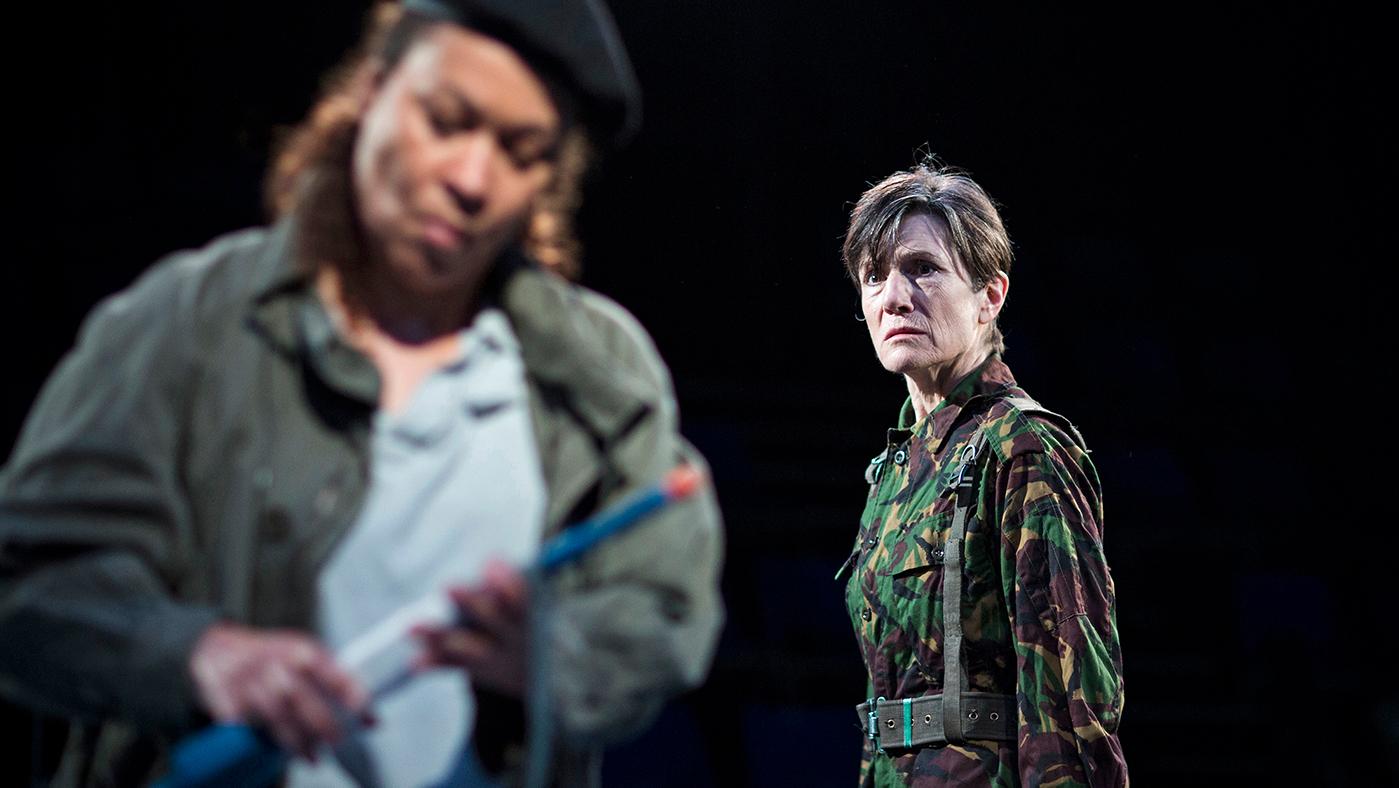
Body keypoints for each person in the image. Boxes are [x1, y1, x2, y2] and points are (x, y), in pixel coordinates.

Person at [0, 1, 723, 786]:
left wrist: (551, 651)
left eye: (522, 153)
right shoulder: (189, 324)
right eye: (445, 121)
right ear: (372, 94)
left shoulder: (598, 372)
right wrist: (195, 654)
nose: (472, 180)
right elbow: (27, 582)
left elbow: (669, 615)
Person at [837, 161, 1126, 787]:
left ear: (989, 296)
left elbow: (1071, 692)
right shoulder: (893, 470)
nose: (893, 297)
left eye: (923, 268)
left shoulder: (1022, 446)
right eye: (874, 276)